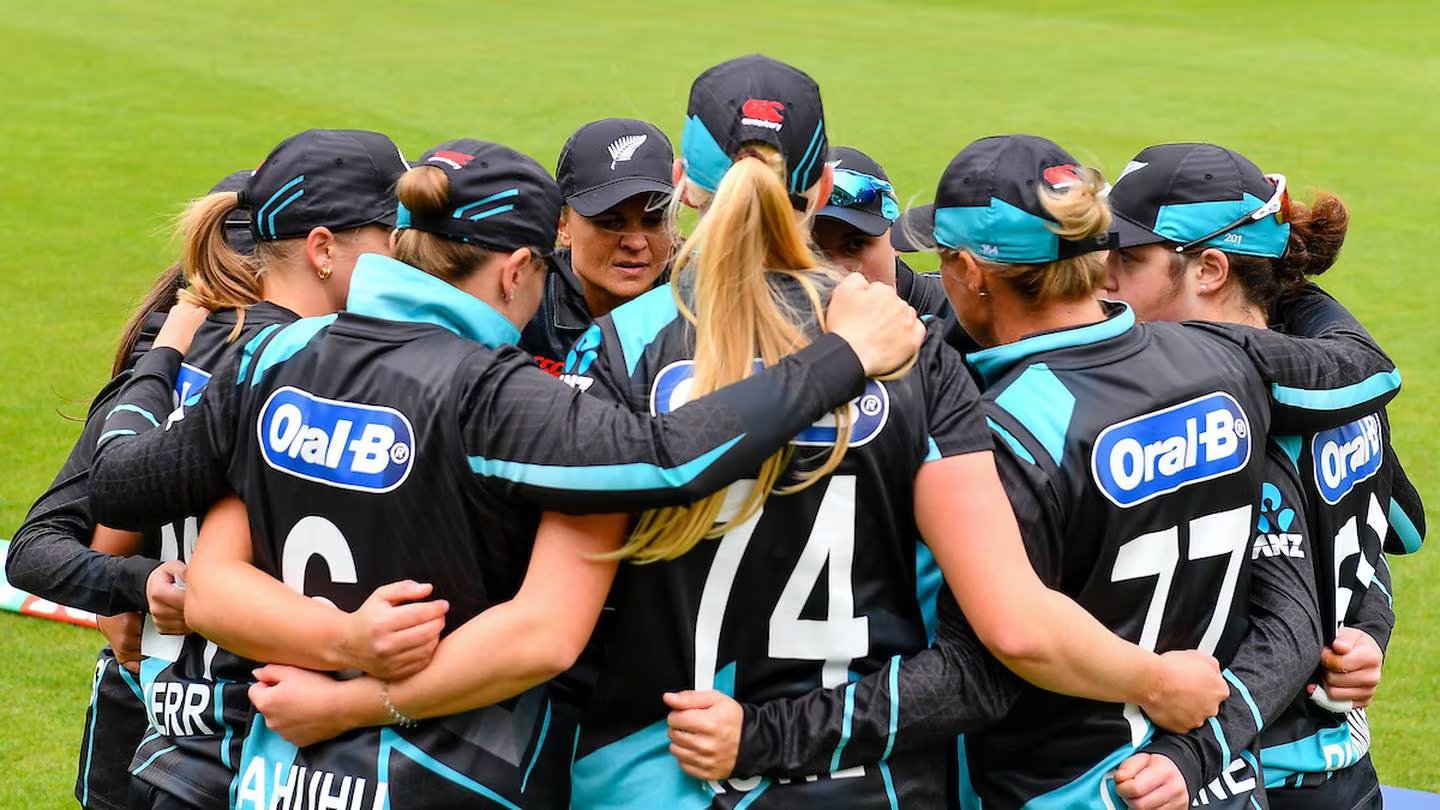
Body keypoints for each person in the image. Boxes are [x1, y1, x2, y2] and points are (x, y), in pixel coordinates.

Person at [87, 135, 926, 810]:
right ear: (521, 269)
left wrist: (157, 361)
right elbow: (668, 458)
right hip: (447, 777)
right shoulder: (497, 394)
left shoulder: (272, 357)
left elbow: (130, 496)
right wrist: (842, 357)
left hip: (276, 777)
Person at [559, 58, 1235, 809]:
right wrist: (1158, 681)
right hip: (871, 785)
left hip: (654, 778)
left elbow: (559, 626)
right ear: (819, 189)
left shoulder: (616, 348)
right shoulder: (913, 353)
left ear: (683, 182)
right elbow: (1010, 629)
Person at [656, 134, 1402, 810]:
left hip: (1066, 789)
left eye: (944, 261)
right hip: (1214, 782)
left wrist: (766, 737)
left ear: (973, 273)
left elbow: (975, 675)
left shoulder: (1004, 429)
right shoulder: (1226, 366)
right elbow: (1295, 579)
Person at [1101, 142, 1427, 810]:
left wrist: (1191, 755)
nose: (1102, 278)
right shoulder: (1345, 391)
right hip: (1341, 772)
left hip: (1234, 773)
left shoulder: (1218, 421)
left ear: (1210, 270)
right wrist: (1369, 626)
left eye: (1128, 260)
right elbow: (1391, 528)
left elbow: (1297, 617)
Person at [98, 129, 404, 810]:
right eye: (393, 232)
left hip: (185, 730)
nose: (410, 252)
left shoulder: (217, 342)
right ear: (323, 249)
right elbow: (111, 503)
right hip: (246, 742)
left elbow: (109, 514)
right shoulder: (296, 365)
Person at [4, 168, 256, 810]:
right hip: (192, 714)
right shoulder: (178, 367)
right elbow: (38, 548)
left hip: (170, 705)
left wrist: (125, 586)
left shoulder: (164, 351)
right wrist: (136, 586)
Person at [519, 118, 676, 375]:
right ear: (562, 227)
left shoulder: (705, 303)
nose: (636, 243)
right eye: (610, 223)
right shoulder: (522, 303)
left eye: (653, 221)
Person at [812, 146, 950, 321]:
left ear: (896, 236)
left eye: (856, 245)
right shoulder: (775, 333)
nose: (837, 273)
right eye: (813, 250)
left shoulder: (965, 316)